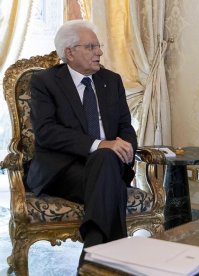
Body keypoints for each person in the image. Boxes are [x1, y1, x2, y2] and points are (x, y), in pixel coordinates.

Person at [26, 20, 137, 266]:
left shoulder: (111, 80)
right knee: (111, 182)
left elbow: (125, 127)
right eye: (91, 47)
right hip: (63, 170)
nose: (99, 52)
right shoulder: (45, 82)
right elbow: (46, 132)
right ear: (70, 52)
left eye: (98, 46)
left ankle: (92, 261)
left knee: (106, 163)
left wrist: (127, 146)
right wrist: (100, 144)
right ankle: (102, 263)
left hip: (106, 165)